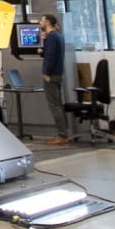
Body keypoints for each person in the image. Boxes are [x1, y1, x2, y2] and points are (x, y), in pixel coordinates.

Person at [40, 13, 70, 145]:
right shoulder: (57, 36)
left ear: (47, 22)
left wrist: (46, 72)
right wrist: (44, 41)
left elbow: (50, 56)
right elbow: (49, 53)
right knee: (58, 104)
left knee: (54, 106)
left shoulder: (52, 36)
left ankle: (62, 135)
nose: (39, 23)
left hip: (51, 75)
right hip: (58, 74)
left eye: (41, 20)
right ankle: (63, 133)